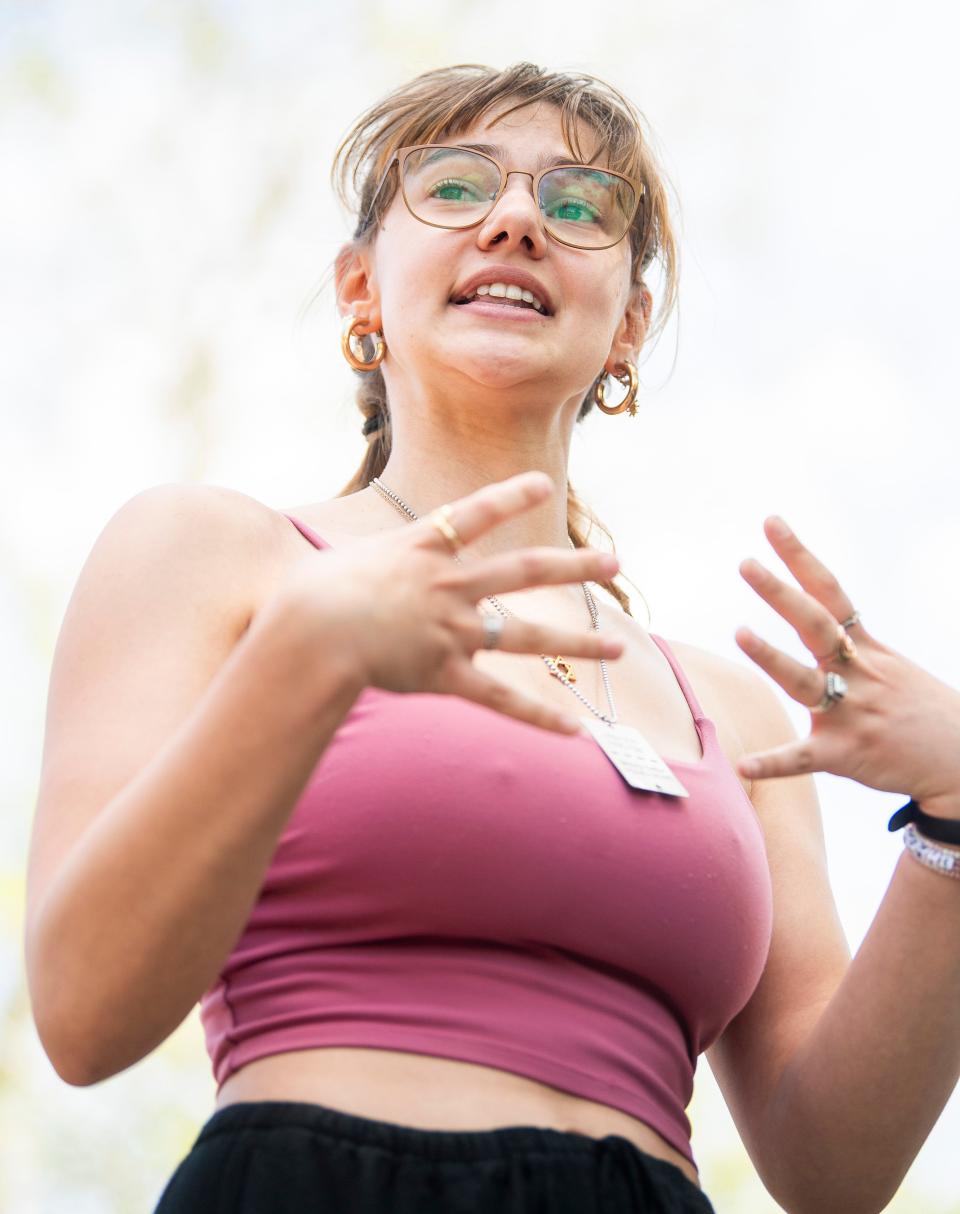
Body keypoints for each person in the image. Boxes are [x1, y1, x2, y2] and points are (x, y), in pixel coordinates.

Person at [24, 61, 960, 1214]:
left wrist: (956, 807)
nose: (517, 220)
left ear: (629, 324)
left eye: (578, 206)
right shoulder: (221, 556)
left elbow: (836, 1170)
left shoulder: (739, 710)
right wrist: (302, 664)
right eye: (456, 188)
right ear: (360, 290)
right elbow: (81, 1014)